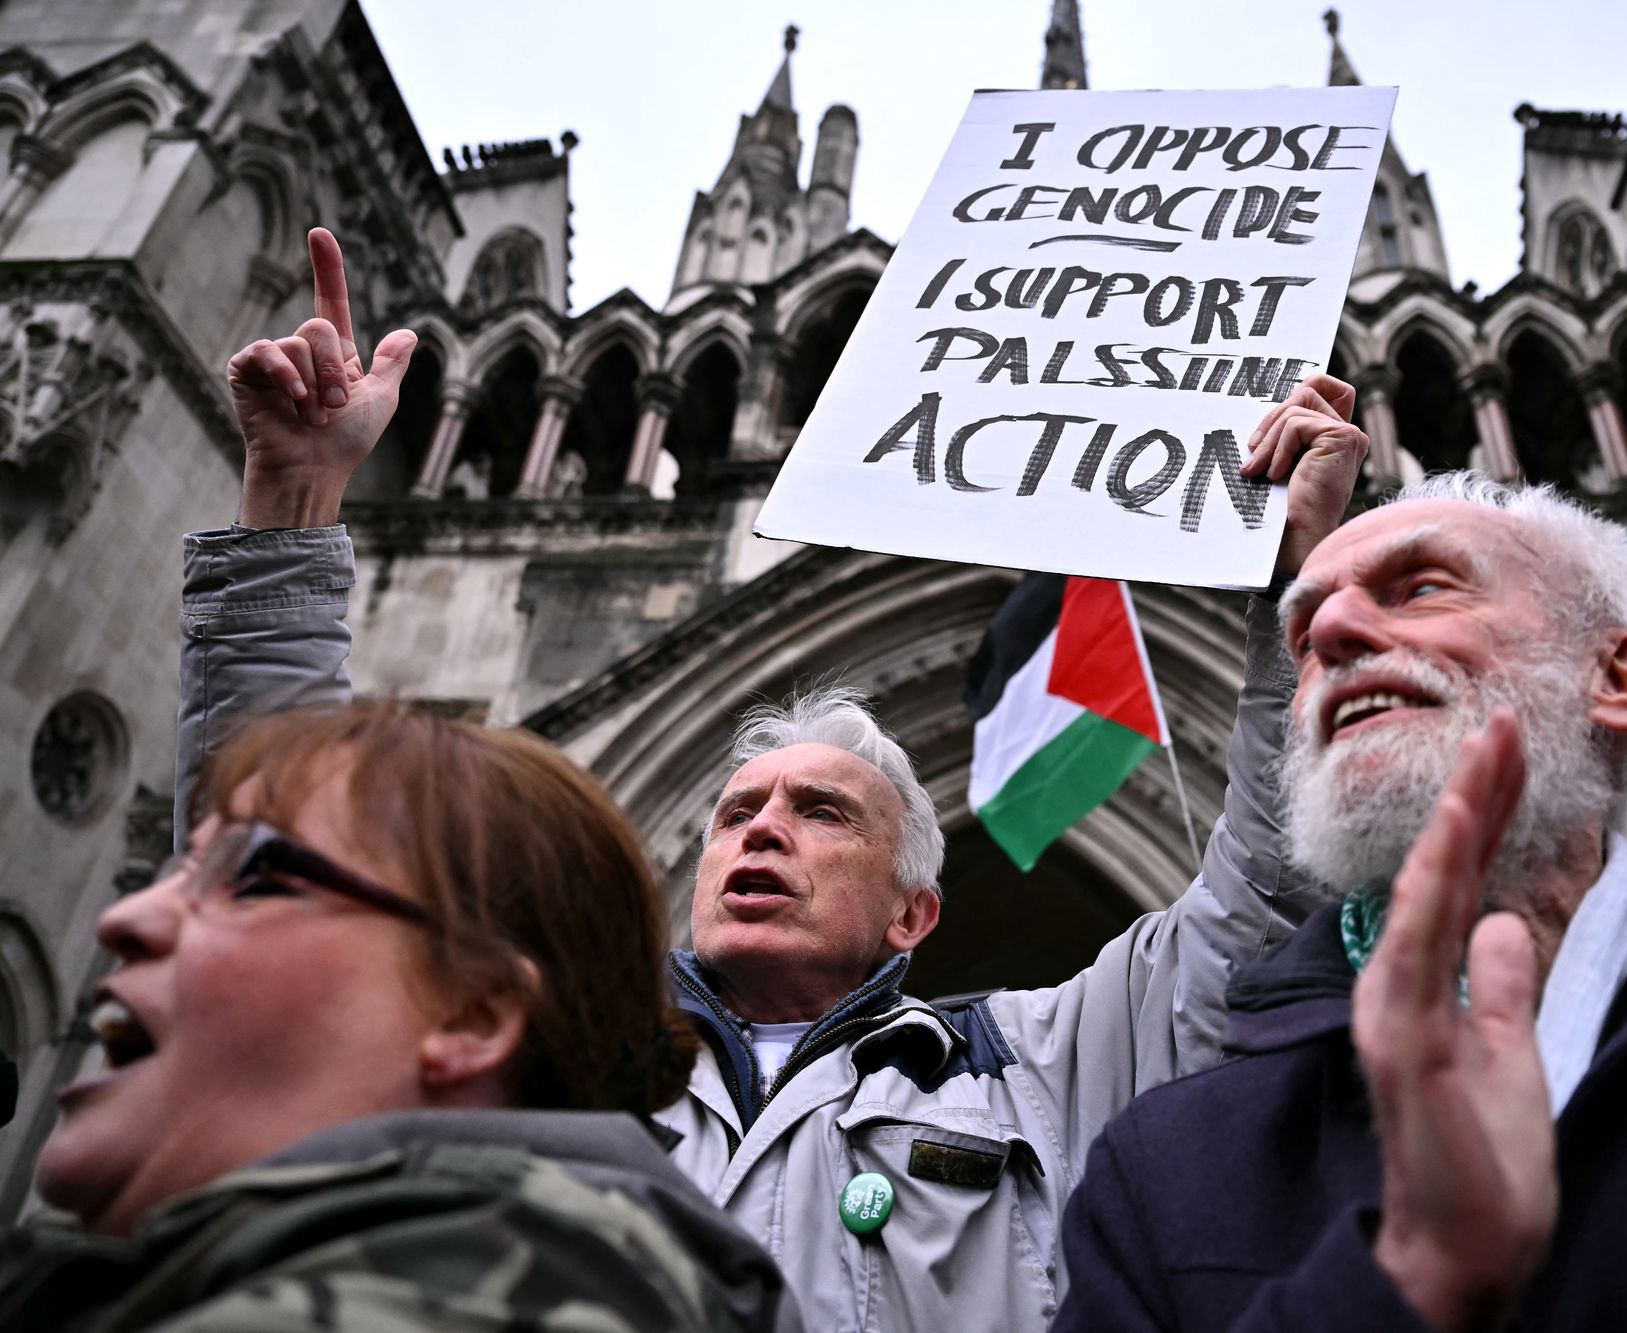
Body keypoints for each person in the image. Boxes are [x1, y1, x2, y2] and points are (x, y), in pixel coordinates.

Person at [185, 227, 1372, 1330]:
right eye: (737, 810)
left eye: (819, 812)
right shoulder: (540, 1051)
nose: (761, 832)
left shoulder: (1037, 1068)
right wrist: (290, 504)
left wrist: (1295, 591)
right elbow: (285, 873)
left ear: (915, 908)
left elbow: (1262, 899)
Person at [1054, 471, 1627, 1331]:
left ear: (1620, 678)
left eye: (1421, 587)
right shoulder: (1161, 1169)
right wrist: (1400, 1290)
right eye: (1303, 639)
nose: (1331, 635)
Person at [2, 700, 798, 1331]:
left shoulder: (525, 1283)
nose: (125, 918)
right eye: (177, 870)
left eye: (252, 875)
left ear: (473, 1015)